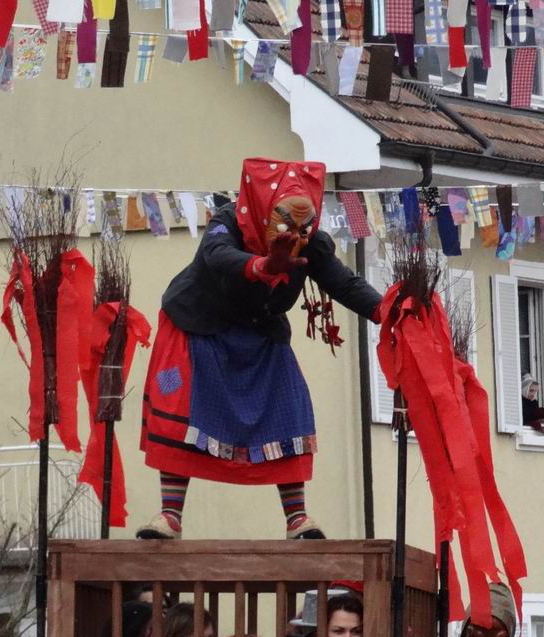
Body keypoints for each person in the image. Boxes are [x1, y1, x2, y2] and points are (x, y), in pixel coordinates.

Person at [136, 157, 382, 542]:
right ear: (265, 208)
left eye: (304, 225)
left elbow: (342, 282)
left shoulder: (310, 242)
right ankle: (170, 515)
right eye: (284, 222)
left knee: (290, 409)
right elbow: (215, 256)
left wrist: (389, 311)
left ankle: (298, 519)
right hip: (197, 325)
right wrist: (264, 265)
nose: (295, 233)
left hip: (260, 331)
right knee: (182, 414)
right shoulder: (228, 221)